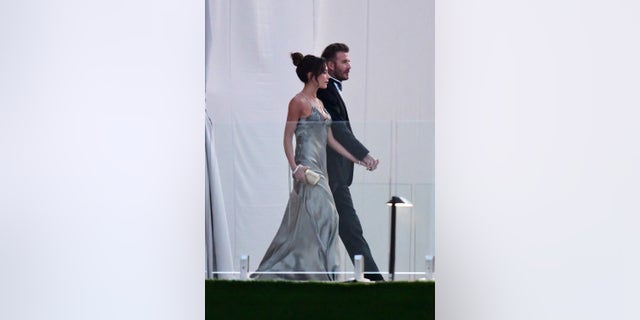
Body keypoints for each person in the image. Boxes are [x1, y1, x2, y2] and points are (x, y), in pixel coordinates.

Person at [251, 52, 363, 281]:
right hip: (307, 169)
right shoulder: (298, 102)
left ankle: (319, 273)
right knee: (328, 216)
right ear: (312, 76)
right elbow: (286, 138)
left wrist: (356, 158)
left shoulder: (320, 103)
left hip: (321, 169)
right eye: (323, 72)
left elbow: (330, 139)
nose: (326, 76)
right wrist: (295, 168)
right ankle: (323, 274)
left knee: (323, 219)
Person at [317, 43, 384, 281]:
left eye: (349, 61)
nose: (349, 65)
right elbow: (338, 131)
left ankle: (371, 279)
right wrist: (363, 155)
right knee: (350, 229)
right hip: (329, 174)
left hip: (334, 173)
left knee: (344, 230)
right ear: (330, 65)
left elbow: (335, 134)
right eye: (344, 61)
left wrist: (357, 158)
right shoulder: (325, 91)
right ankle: (375, 281)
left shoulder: (330, 90)